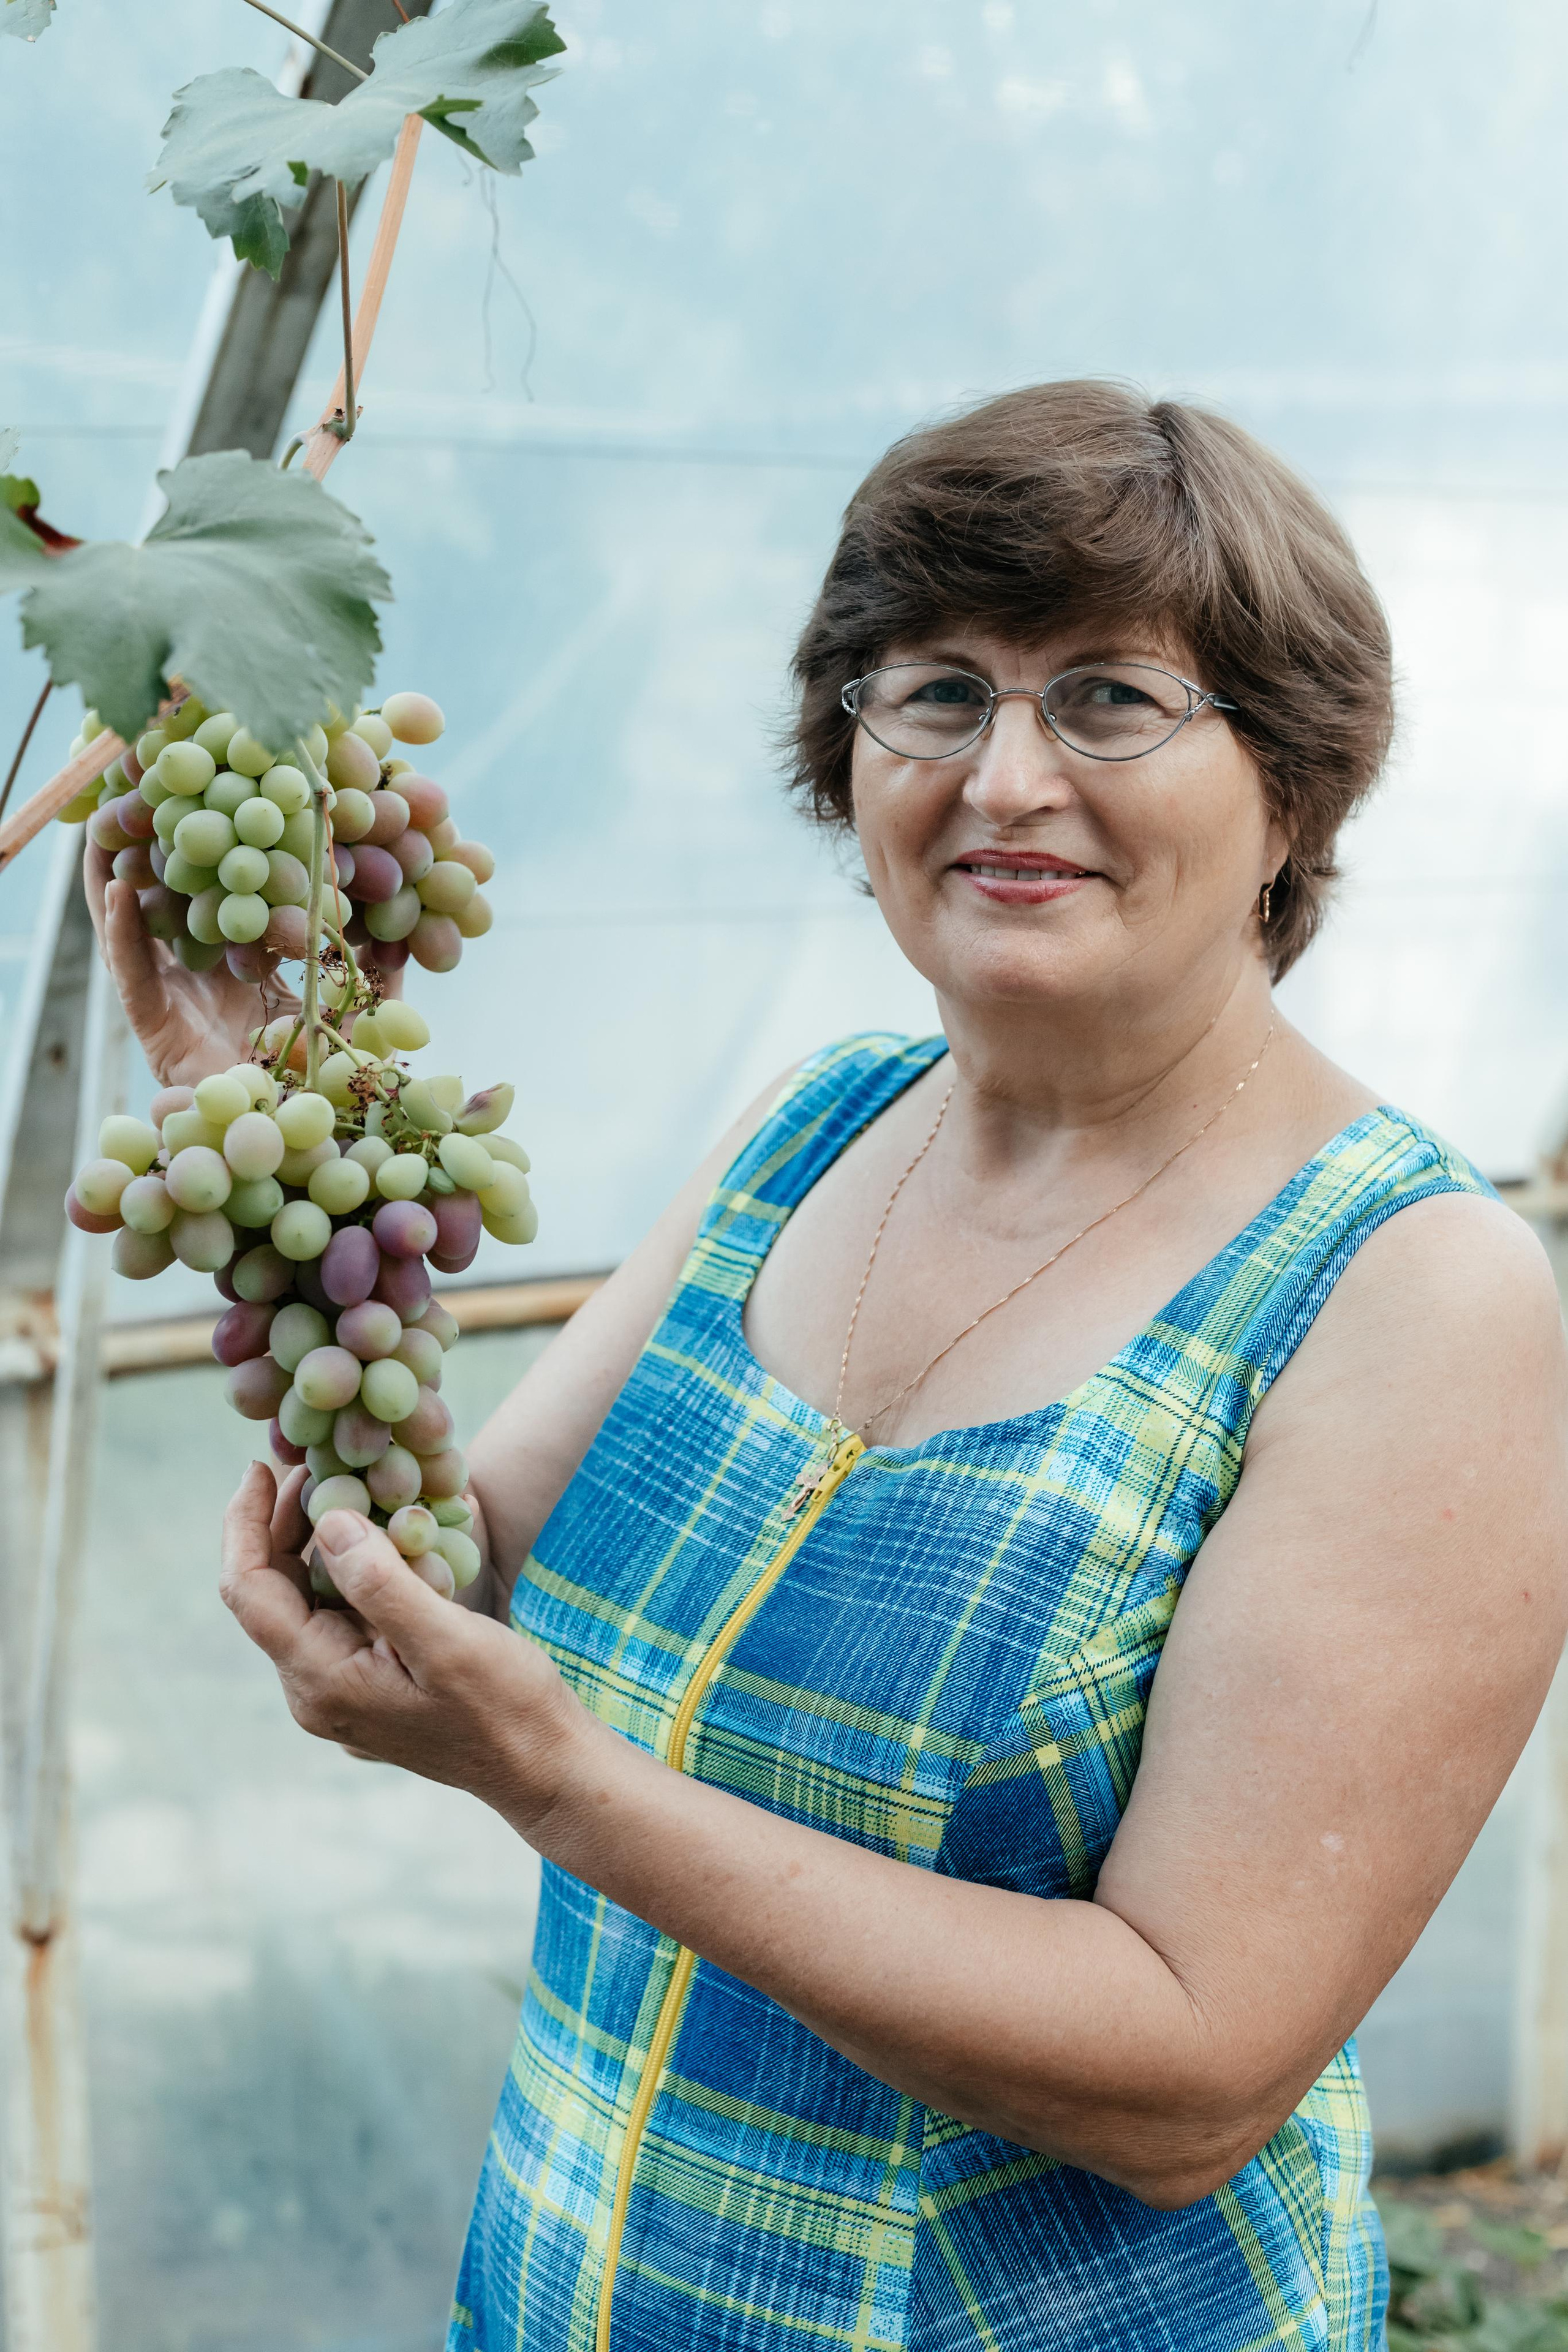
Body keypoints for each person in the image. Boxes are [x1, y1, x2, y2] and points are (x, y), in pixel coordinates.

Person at [107, 381, 1568, 2350]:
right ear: (847, 756)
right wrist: (267, 1141)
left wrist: (563, 1792)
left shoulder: (1409, 1295)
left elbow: (1194, 2071)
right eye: (937, 691)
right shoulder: (811, 1129)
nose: (1007, 776)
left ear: (1293, 788)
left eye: (1112, 698)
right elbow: (463, 1585)